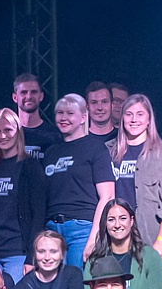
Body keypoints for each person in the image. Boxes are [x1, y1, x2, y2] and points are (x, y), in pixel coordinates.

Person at [111, 94, 162, 268]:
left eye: (140, 114)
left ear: (149, 119)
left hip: (155, 239)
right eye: (129, 114)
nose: (134, 119)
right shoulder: (110, 152)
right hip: (120, 240)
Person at [42, 93, 115, 266]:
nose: (63, 118)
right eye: (60, 113)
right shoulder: (51, 152)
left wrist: (94, 237)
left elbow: (107, 196)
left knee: (79, 281)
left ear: (83, 117)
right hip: (52, 229)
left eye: (70, 113)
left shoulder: (95, 148)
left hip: (82, 230)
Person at [82, 199, 162, 289]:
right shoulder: (94, 260)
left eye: (122, 218)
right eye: (111, 220)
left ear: (131, 221)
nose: (117, 225)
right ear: (105, 223)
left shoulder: (150, 256)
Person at [0, 109, 47, 282]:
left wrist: (32, 256)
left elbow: (39, 214)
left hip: (19, 253)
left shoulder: (31, 166)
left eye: (8, 130)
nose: (3, 136)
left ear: (18, 131)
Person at [12, 73, 61, 154]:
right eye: (23, 92)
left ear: (41, 96)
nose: (29, 96)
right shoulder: (7, 134)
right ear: (15, 97)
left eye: (34, 92)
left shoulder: (55, 134)